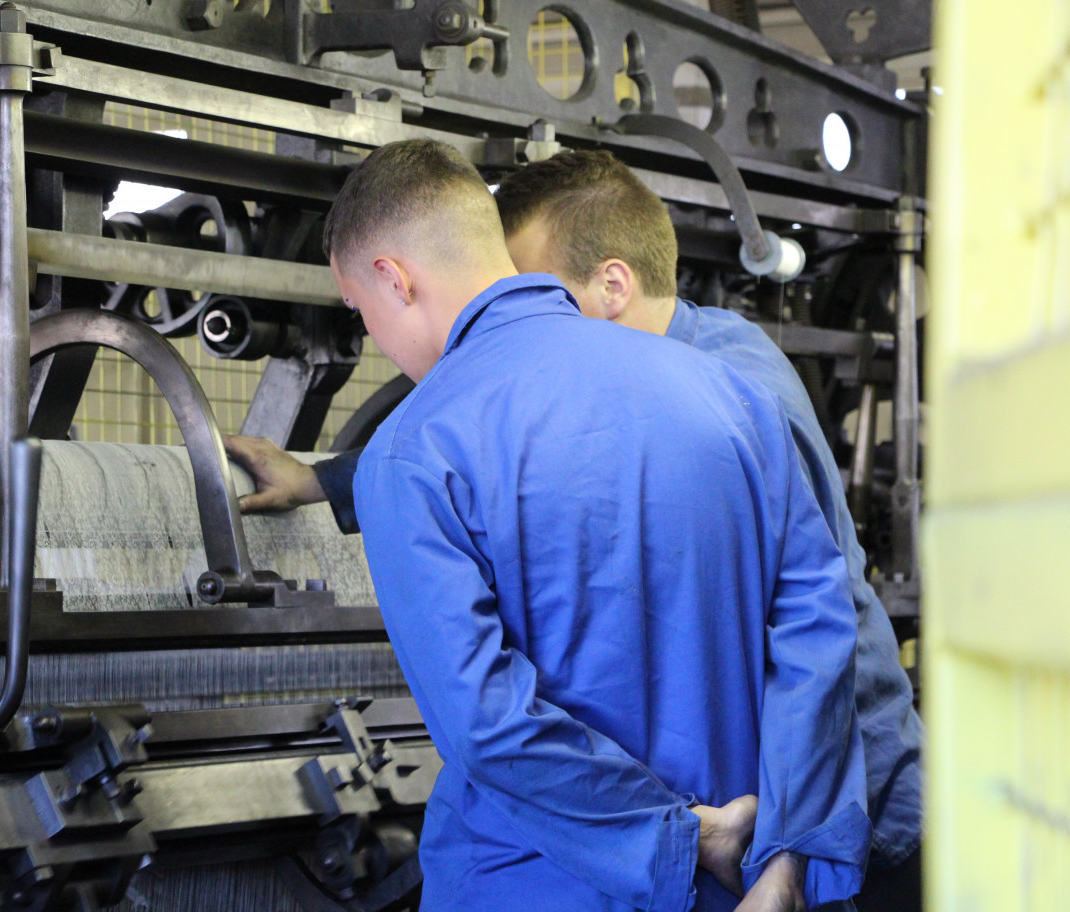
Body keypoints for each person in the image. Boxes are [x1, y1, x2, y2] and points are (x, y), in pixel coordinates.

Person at [226, 150, 923, 912]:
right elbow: (821, 630)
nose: (378, 338)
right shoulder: (728, 389)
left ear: (394, 278)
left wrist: (680, 840)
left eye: (361, 312)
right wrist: (786, 852)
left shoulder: (412, 451)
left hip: (540, 883)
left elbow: (488, 723)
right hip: (755, 880)